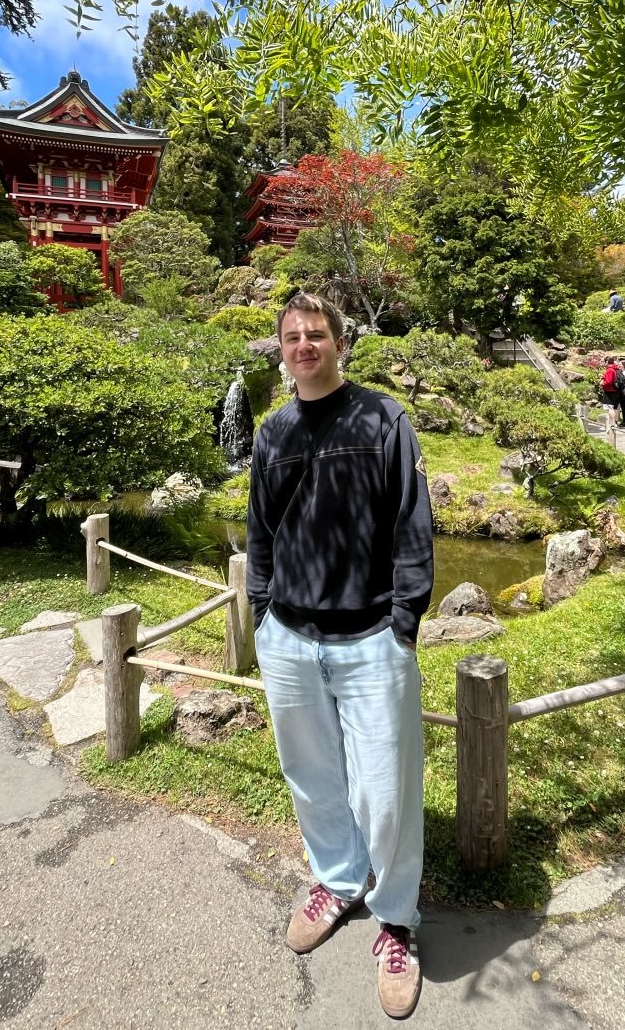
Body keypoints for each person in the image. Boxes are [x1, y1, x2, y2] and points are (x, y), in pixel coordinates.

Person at [247, 292, 433, 1020]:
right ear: (282, 349)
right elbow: (260, 528)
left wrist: (404, 619)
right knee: (313, 776)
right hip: (290, 638)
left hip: (370, 639)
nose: (305, 345)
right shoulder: (273, 431)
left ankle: (396, 921)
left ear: (338, 343)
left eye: (316, 334)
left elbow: (412, 522)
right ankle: (337, 878)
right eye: (293, 336)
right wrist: (261, 611)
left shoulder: (382, 418)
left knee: (386, 790)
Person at [601, 356, 622, 423]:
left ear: (607, 362)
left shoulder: (609, 370)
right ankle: (615, 422)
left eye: (604, 362)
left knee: (610, 408)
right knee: (614, 408)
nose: (604, 364)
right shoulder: (615, 369)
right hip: (616, 390)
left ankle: (612, 423)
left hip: (610, 391)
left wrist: (602, 383)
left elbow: (609, 382)